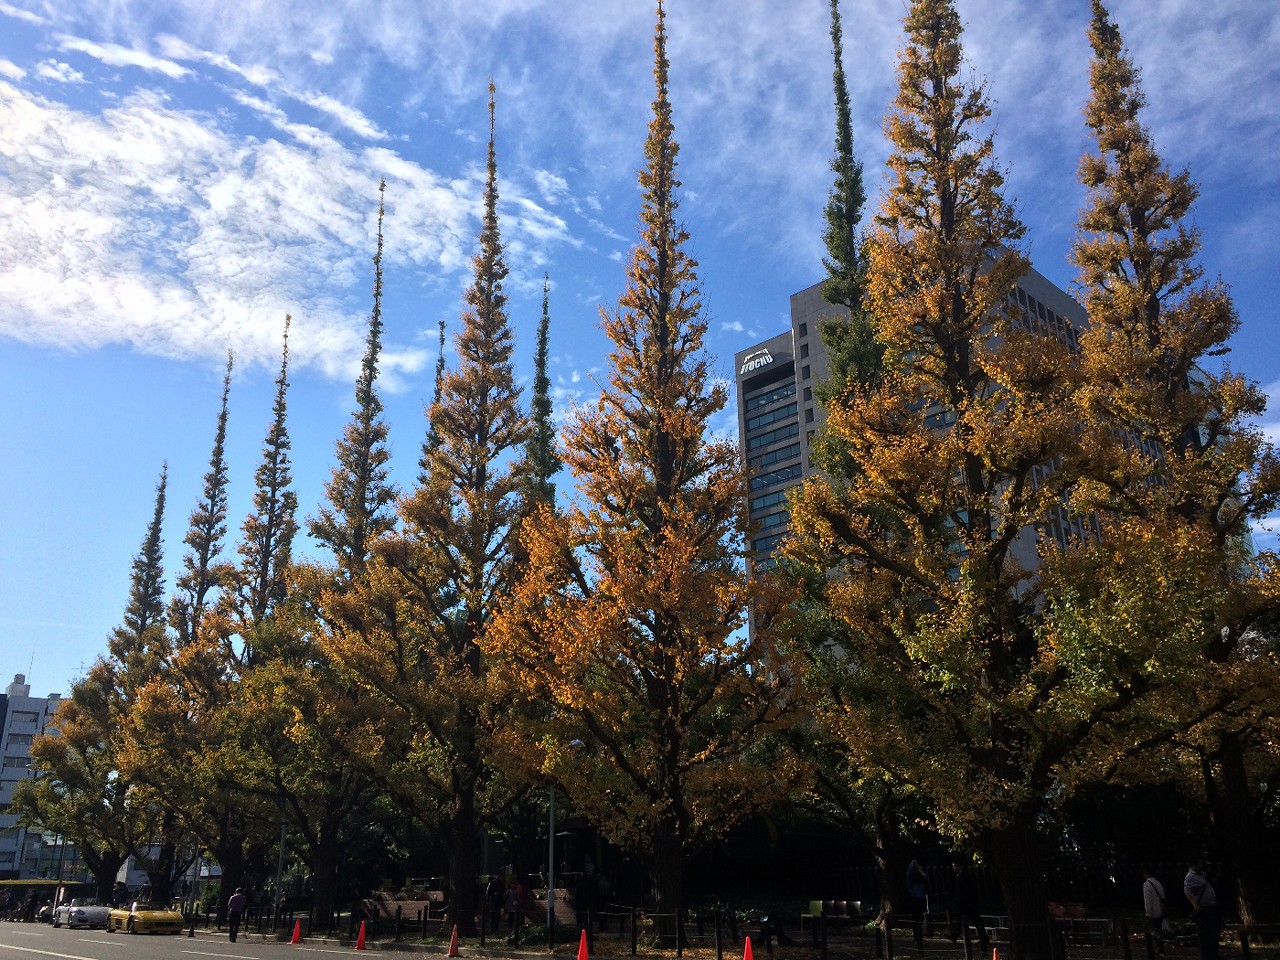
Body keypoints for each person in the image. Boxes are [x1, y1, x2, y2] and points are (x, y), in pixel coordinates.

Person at [949, 862, 989, 957]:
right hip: (971, 904)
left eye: (954, 865)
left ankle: (955, 935)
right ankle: (983, 940)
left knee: (964, 920)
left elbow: (962, 892)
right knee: (975, 922)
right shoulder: (967, 875)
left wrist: (958, 901)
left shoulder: (961, 876)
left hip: (966, 904)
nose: (953, 868)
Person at [1184, 860, 1219, 960]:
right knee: (1208, 932)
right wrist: (1195, 904)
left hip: (1211, 905)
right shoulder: (1190, 877)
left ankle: (1213, 954)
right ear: (1193, 865)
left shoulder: (1202, 874)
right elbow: (1187, 891)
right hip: (1204, 907)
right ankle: (1208, 955)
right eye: (1198, 863)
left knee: (1214, 932)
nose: (1201, 865)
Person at [1142, 868, 1167, 954]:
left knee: (1154, 930)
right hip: (1160, 909)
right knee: (1159, 929)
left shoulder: (1147, 884)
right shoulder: (1158, 883)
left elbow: (1148, 900)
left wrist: (1148, 912)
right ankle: (1161, 947)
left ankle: (1157, 948)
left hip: (1153, 911)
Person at [906, 860, 928, 952]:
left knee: (918, 920)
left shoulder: (916, 878)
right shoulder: (912, 877)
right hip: (916, 899)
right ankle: (917, 939)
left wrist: (918, 869)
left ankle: (918, 938)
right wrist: (916, 867)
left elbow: (924, 877)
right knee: (917, 920)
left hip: (918, 898)